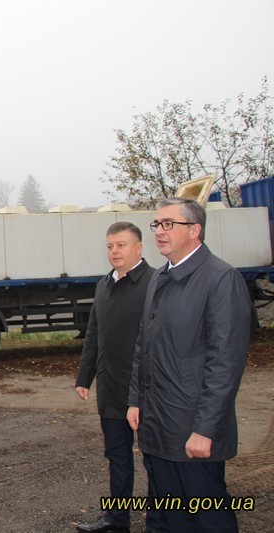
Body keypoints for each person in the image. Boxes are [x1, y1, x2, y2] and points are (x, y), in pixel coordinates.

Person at [127, 197, 251, 532]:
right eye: (157, 224)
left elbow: (224, 363)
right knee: (168, 517)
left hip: (192, 432)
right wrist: (135, 399)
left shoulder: (221, 279)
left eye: (169, 224)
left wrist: (205, 429)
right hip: (158, 426)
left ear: (195, 230)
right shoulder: (159, 278)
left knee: (208, 519)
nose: (159, 232)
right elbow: (144, 344)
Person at [74, 223, 152, 533]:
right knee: (118, 458)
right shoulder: (103, 286)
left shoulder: (155, 283)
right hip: (111, 389)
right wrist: (85, 376)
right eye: (110, 246)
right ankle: (116, 521)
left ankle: (163, 521)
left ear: (139, 248)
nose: (114, 252)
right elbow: (94, 333)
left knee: (156, 461)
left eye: (121, 245)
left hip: (147, 391)